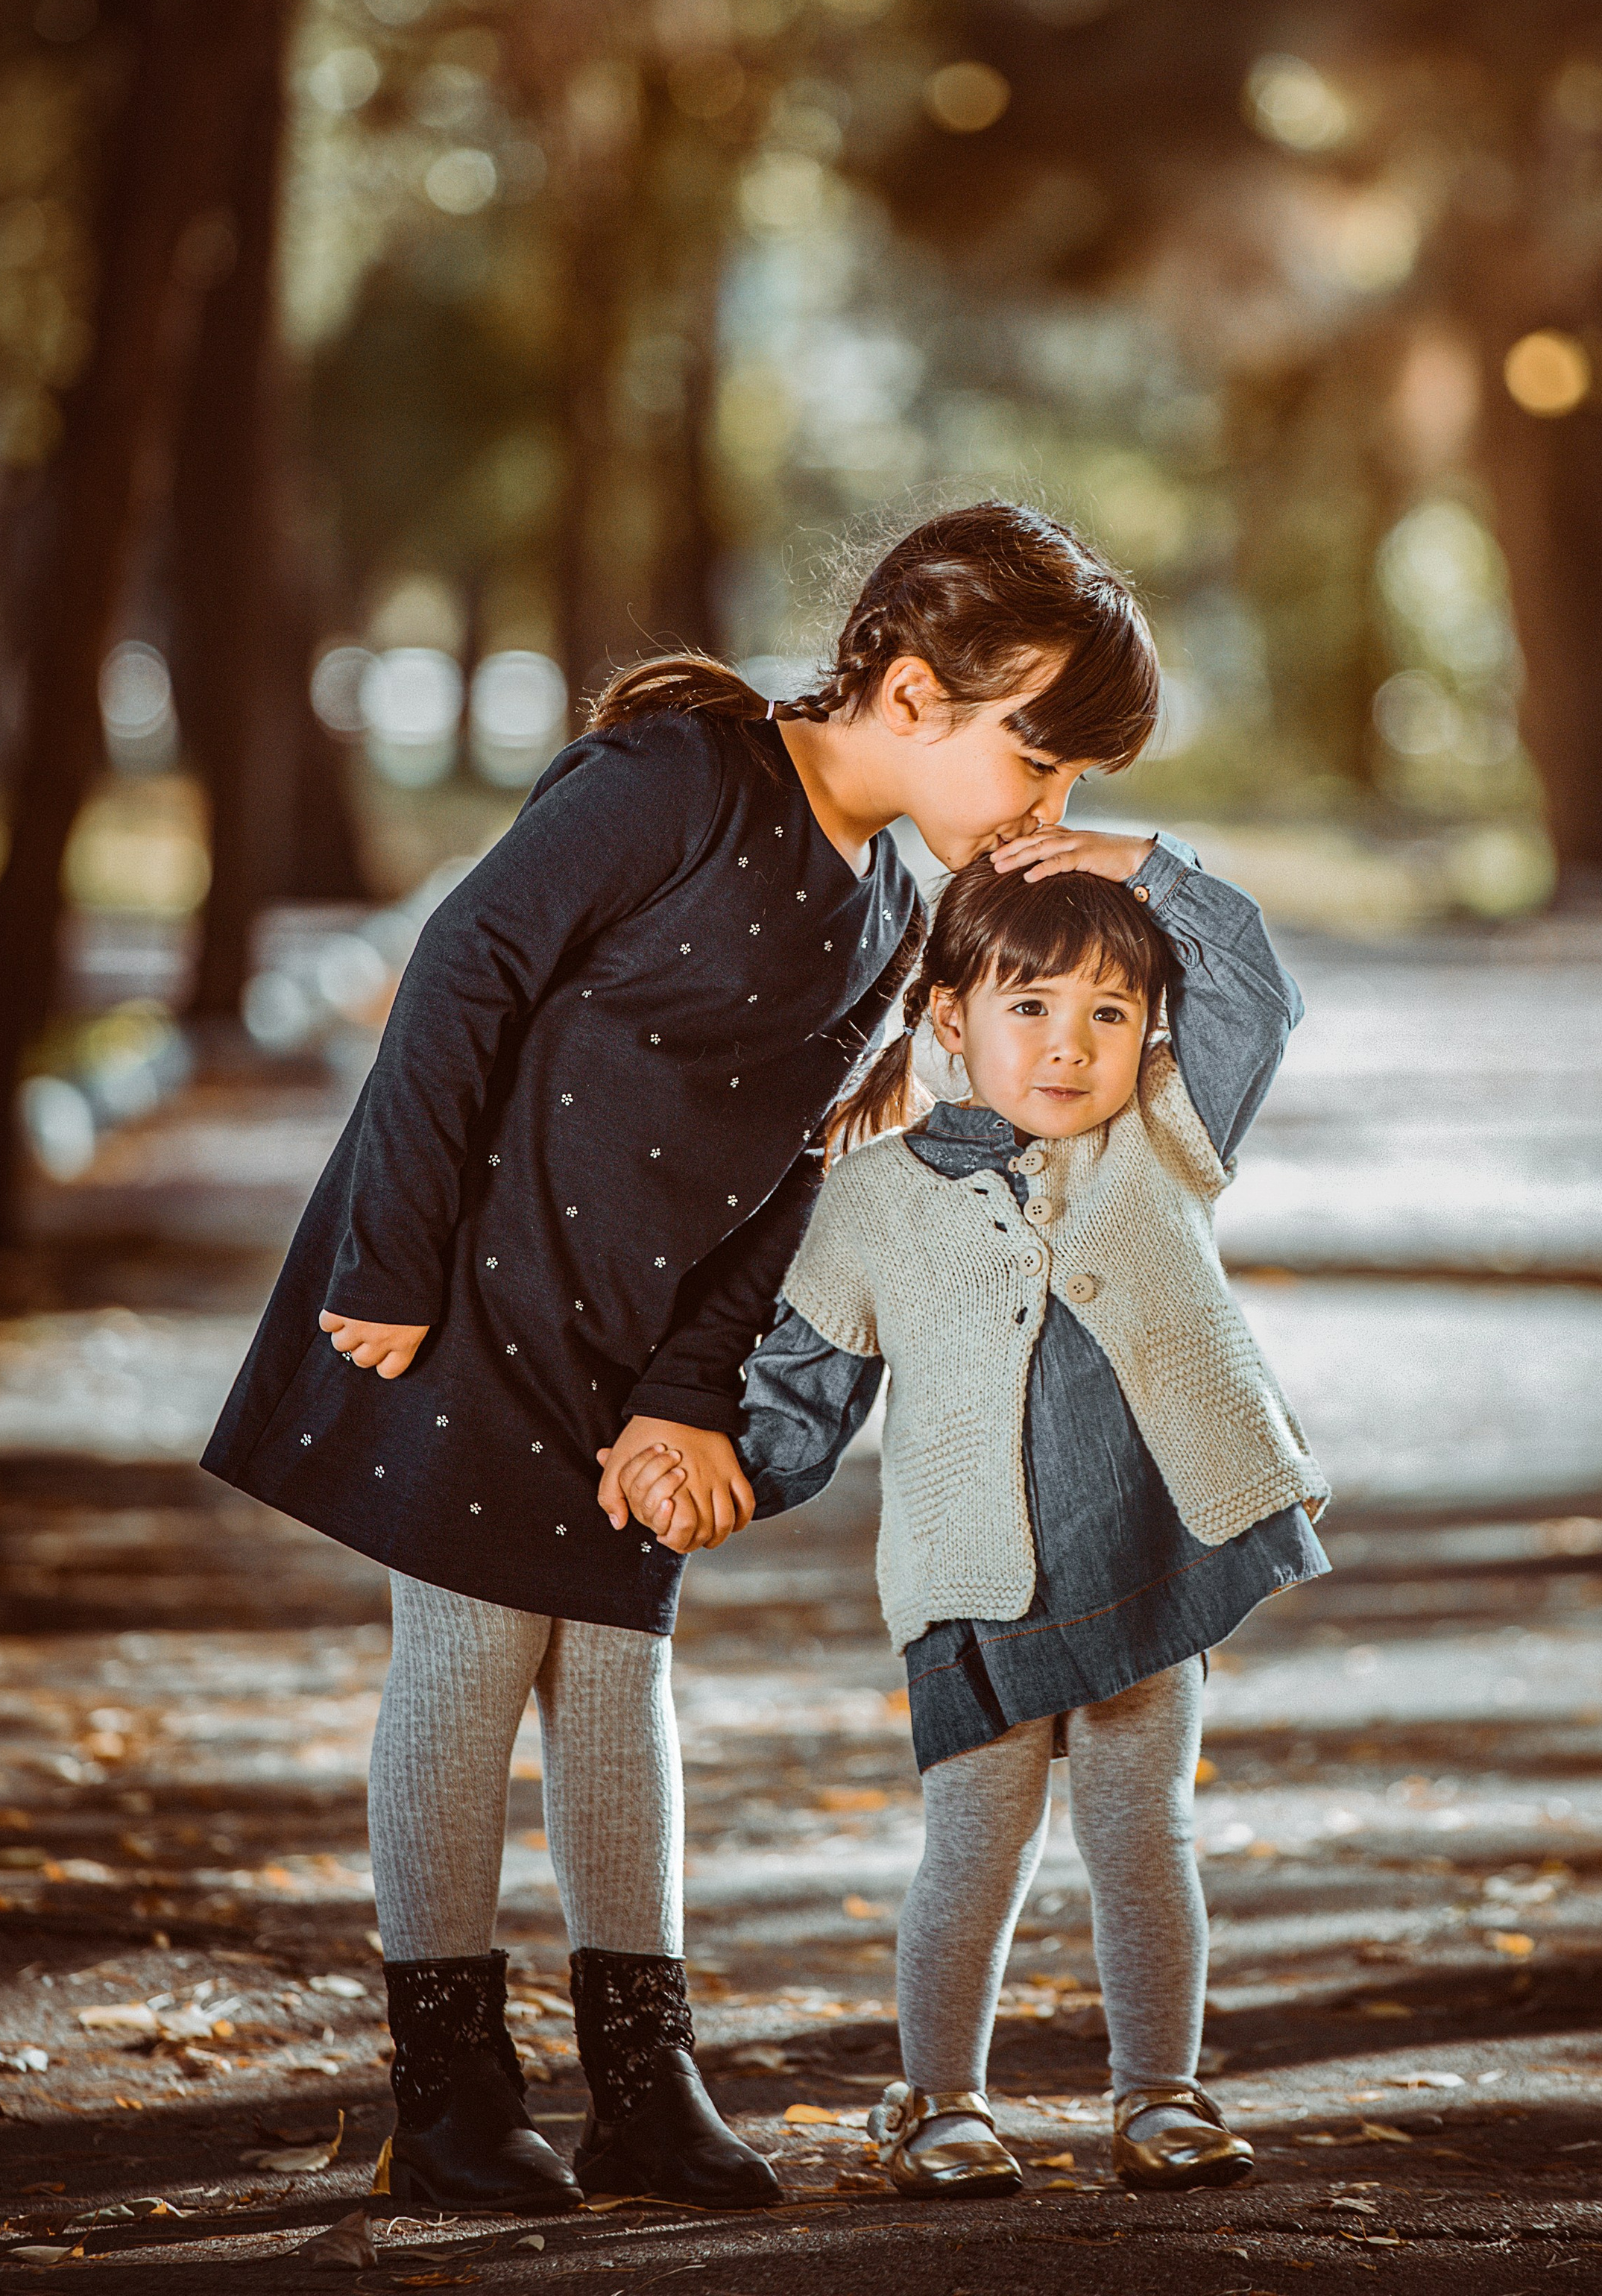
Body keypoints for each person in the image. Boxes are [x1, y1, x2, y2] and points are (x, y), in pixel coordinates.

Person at [200, 501, 1162, 2213]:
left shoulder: (888, 907)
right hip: (473, 1292)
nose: (1051, 804)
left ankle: (641, 2084)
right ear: (915, 694)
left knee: (616, 1673)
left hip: (628, 1345)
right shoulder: (673, 782)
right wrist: (390, 1254)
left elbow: (790, 1169)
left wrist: (683, 1389)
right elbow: (459, 975)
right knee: (470, 1656)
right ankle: (448, 2095)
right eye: (1040, 755)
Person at [619, 835, 1329, 2199]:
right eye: (1031, 1006)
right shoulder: (870, 1199)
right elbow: (801, 1390)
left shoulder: (1164, 1136)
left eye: (1110, 1013)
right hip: (969, 1580)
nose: (1070, 1045)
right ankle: (940, 2103)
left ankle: (1161, 2095)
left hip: (1151, 1556)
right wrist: (711, 1479)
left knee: (1146, 1840)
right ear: (951, 1018)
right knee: (975, 1852)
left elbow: (1256, 987)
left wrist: (1146, 864)